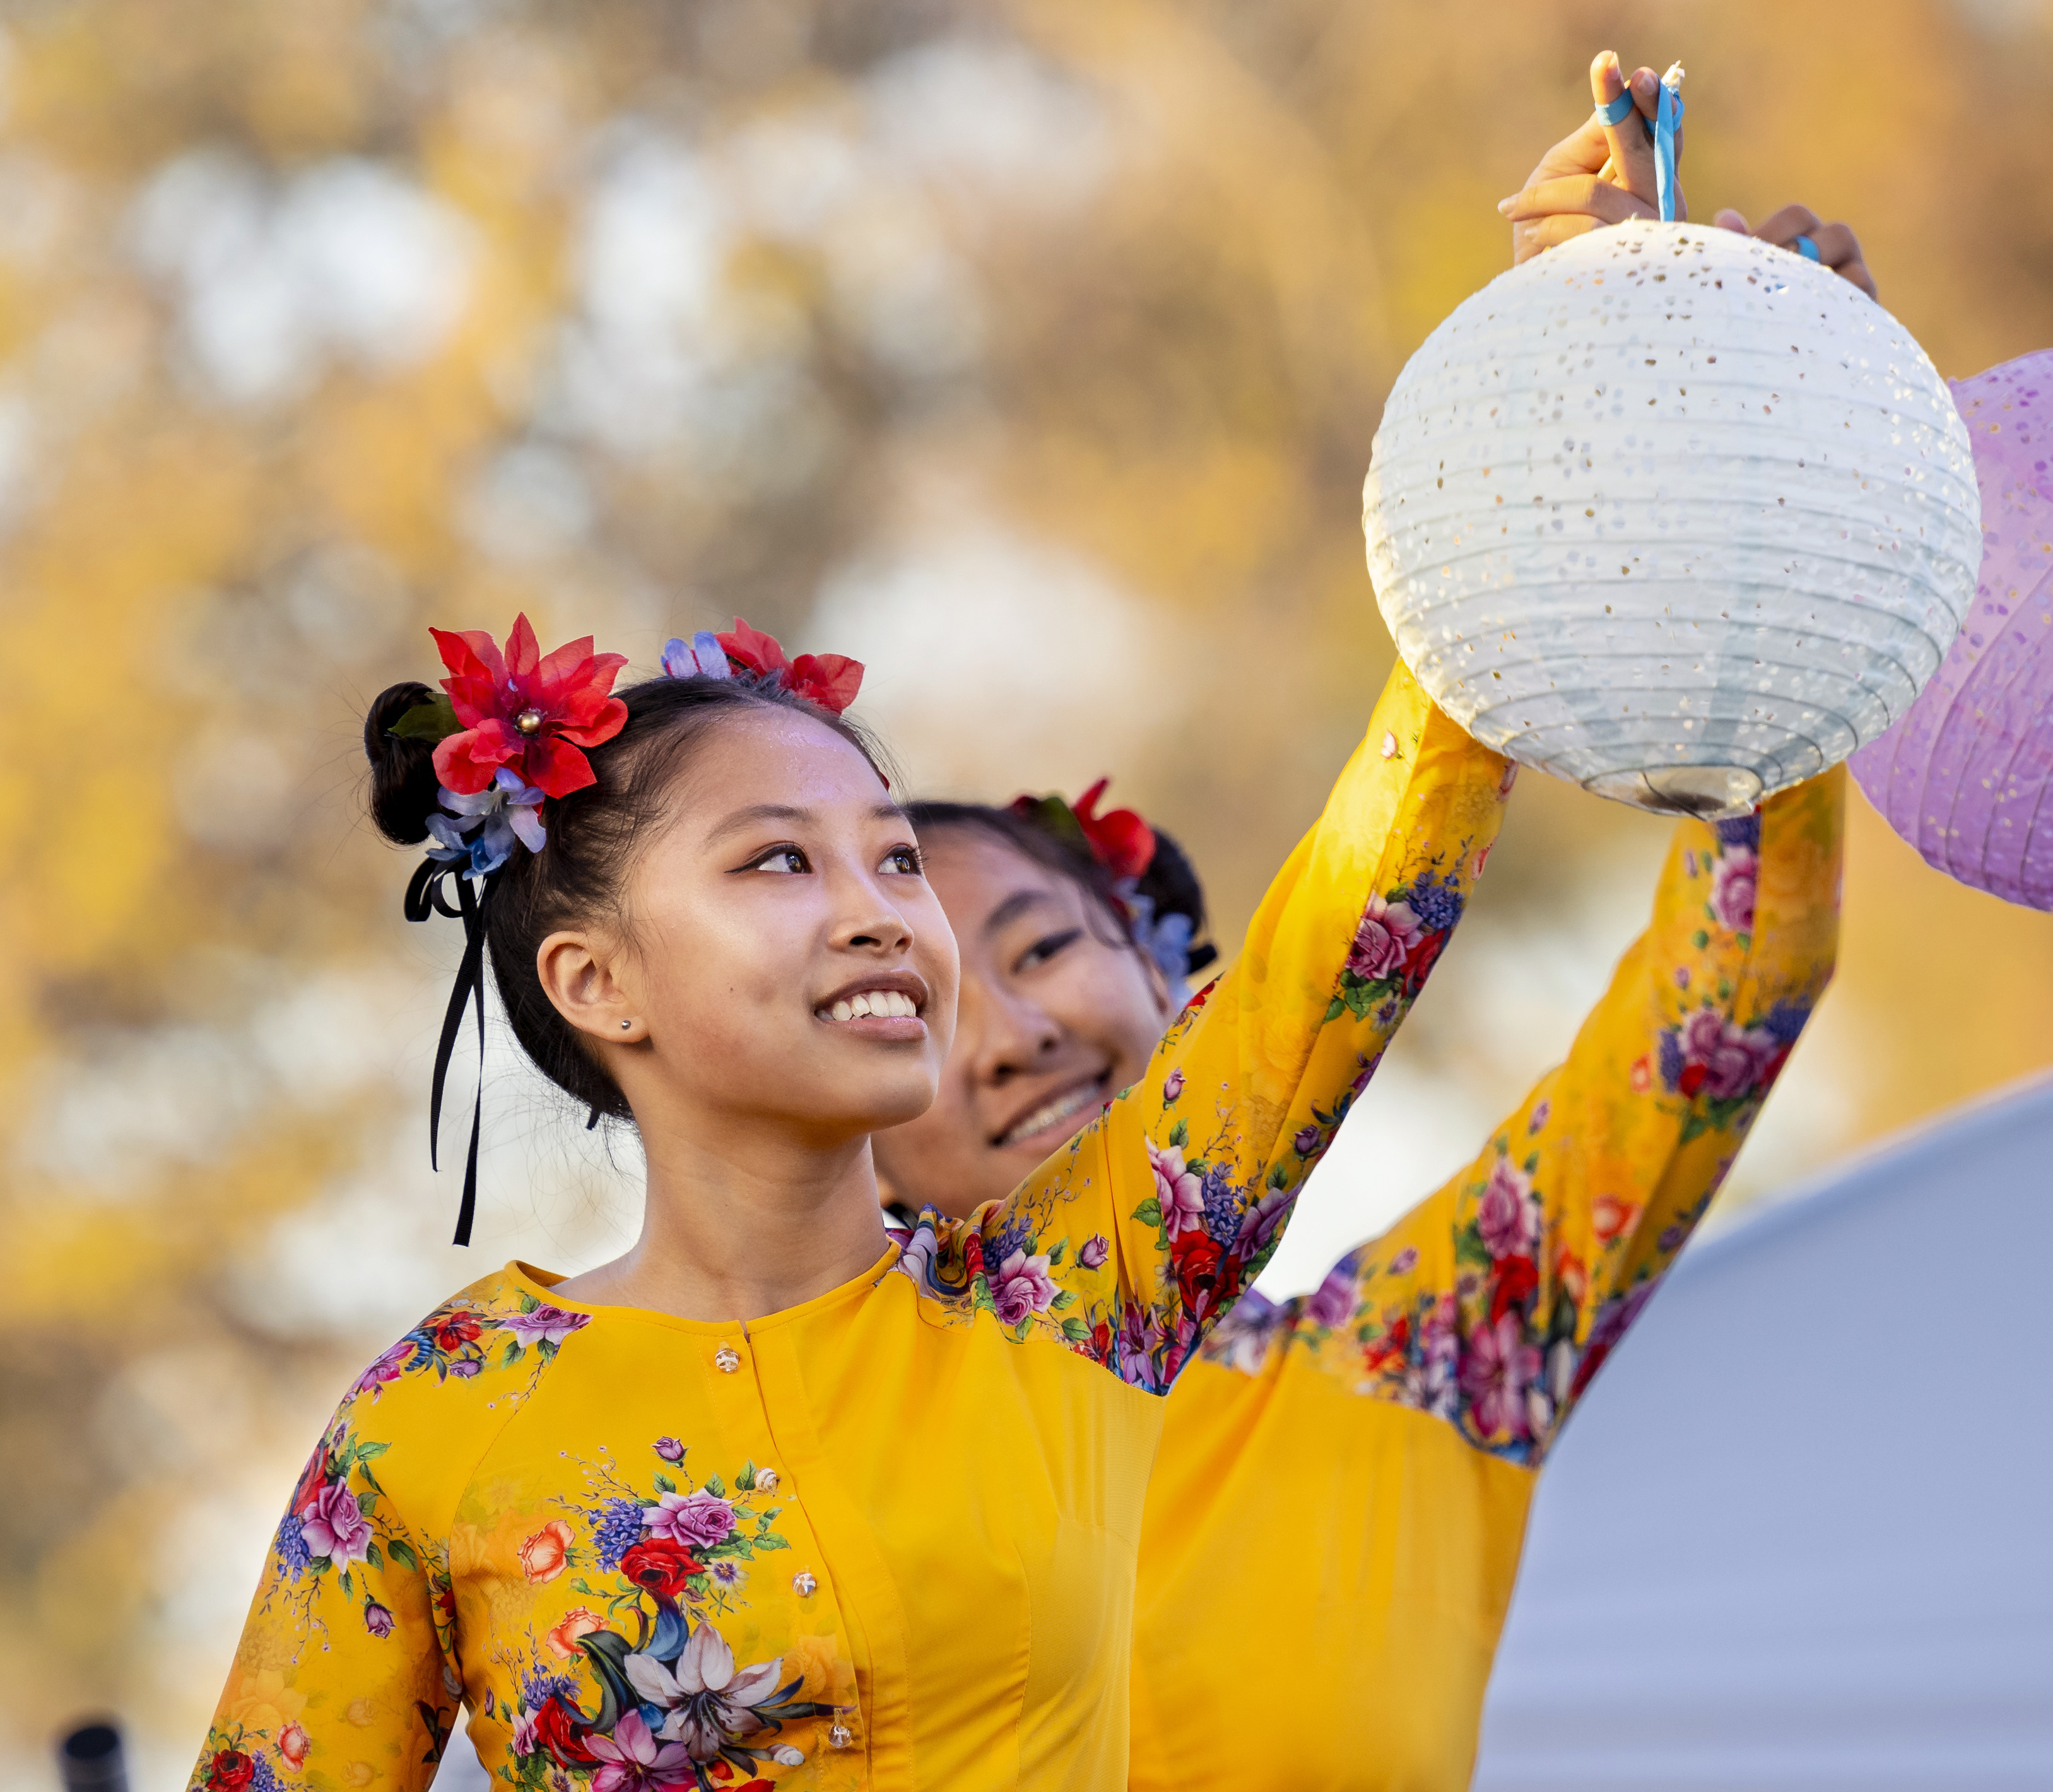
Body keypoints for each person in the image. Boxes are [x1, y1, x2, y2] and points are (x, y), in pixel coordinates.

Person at [872, 54, 1867, 1790]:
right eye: (920, 1012)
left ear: (1177, 977)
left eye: (1037, 951)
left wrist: (1745, 503)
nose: (1009, 1032)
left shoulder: (1432, 1353)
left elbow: (1743, 974)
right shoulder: (802, 1440)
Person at [190, 615, 1506, 1791]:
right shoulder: (432, 1421)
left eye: (893, 861)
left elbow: (1329, 957)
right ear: (596, 981)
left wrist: (1474, 612)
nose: (881, 914)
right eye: (777, 862)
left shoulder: (1069, 1297)